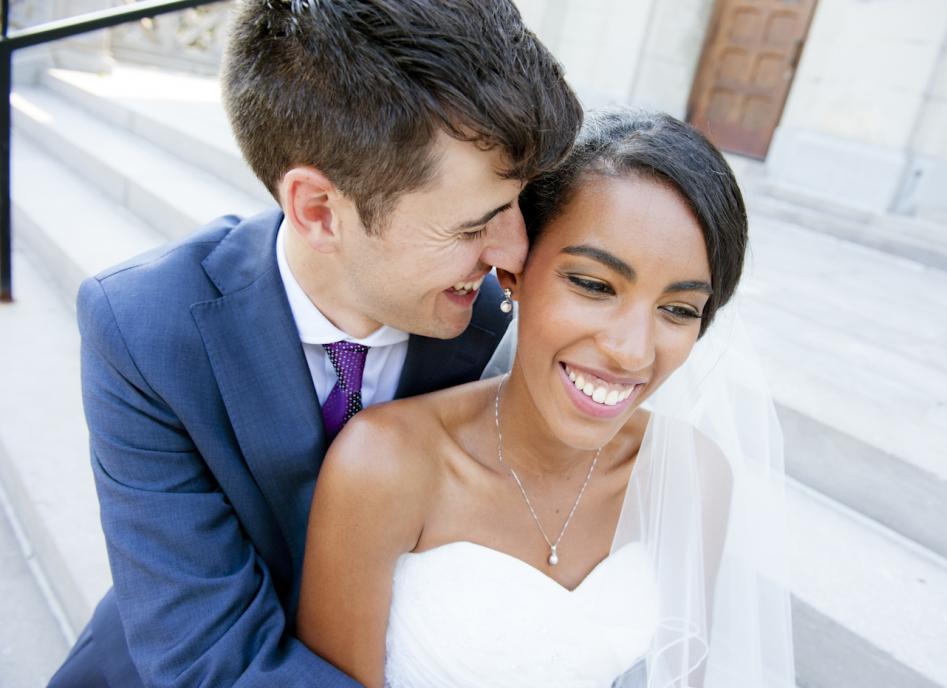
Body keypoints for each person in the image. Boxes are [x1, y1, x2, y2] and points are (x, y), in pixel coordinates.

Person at [48, 1, 581, 686]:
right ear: (319, 211)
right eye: (474, 224)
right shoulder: (145, 329)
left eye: (521, 203)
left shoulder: (508, 328)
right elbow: (210, 658)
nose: (515, 252)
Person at [298, 109, 796, 687]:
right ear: (515, 271)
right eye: (593, 285)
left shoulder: (692, 474)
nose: (632, 352)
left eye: (678, 310)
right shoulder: (385, 464)